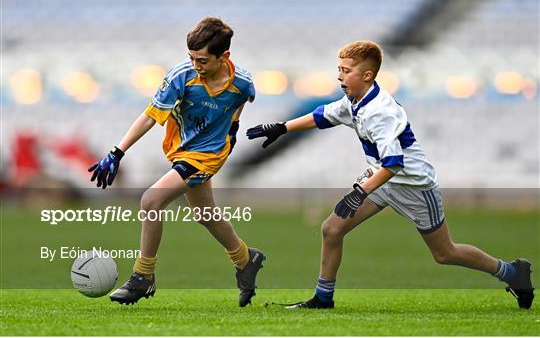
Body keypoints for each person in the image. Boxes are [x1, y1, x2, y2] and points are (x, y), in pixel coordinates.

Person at [246, 40, 534, 309]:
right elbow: (322, 116)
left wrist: (360, 192)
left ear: (368, 75)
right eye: (339, 70)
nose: (340, 77)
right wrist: (283, 127)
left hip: (413, 186)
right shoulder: (354, 99)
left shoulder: (380, 112)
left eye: (346, 71)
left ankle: (512, 272)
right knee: (331, 229)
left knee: (445, 253)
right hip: (381, 180)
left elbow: (394, 162)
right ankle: (323, 298)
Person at [89, 17, 265, 307]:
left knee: (150, 201)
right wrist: (117, 151)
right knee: (205, 214)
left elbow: (242, 102)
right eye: (191, 58)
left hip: (210, 154)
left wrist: (229, 129)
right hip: (180, 151)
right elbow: (149, 115)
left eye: (203, 60)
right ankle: (246, 259)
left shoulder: (243, 83)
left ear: (225, 57)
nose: (196, 65)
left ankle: (143, 277)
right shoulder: (182, 76)